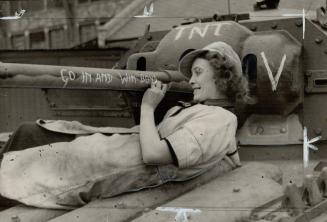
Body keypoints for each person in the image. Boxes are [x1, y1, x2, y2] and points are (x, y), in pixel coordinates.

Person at [0, 41, 250, 209]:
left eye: (198, 73)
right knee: (29, 133)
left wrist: (148, 107)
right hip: (115, 149)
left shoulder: (219, 119)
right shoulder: (207, 112)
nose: (191, 80)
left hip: (112, 162)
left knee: (17, 162)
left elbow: (154, 154)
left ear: (222, 77)